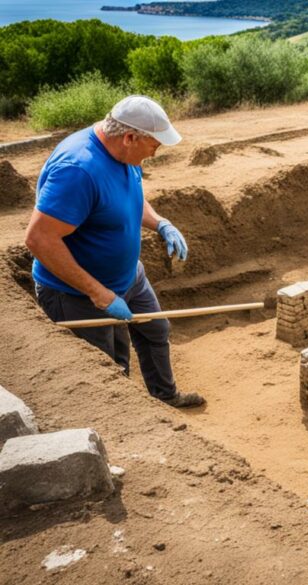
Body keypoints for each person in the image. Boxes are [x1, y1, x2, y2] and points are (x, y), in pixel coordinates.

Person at [24, 95, 205, 408]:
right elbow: (39, 240)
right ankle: (129, 427)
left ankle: (165, 399)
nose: (156, 152)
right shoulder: (78, 170)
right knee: (108, 367)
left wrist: (161, 224)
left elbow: (128, 198)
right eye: (155, 145)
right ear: (130, 136)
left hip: (128, 278)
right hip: (77, 295)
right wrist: (99, 295)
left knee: (155, 330)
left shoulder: (123, 154)